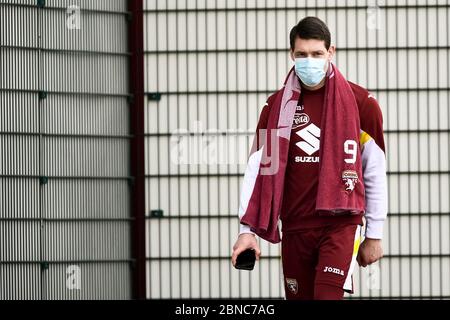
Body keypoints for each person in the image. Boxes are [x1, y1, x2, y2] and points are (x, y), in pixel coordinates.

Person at [231, 16, 388, 300]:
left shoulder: (362, 103)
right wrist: (246, 231)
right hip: (294, 226)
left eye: (317, 54)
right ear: (292, 54)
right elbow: (259, 169)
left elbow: (374, 171)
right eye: (302, 54)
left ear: (331, 52)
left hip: (341, 224)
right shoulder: (276, 106)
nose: (309, 61)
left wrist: (374, 234)